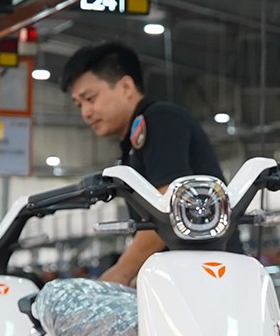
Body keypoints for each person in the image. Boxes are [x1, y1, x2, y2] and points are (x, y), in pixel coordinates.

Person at [61, 41, 225, 287]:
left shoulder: (160, 119)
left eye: (90, 98)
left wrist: (121, 274)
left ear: (126, 86)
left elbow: (168, 206)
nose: (85, 112)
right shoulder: (132, 144)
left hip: (206, 278)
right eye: (79, 104)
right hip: (186, 278)